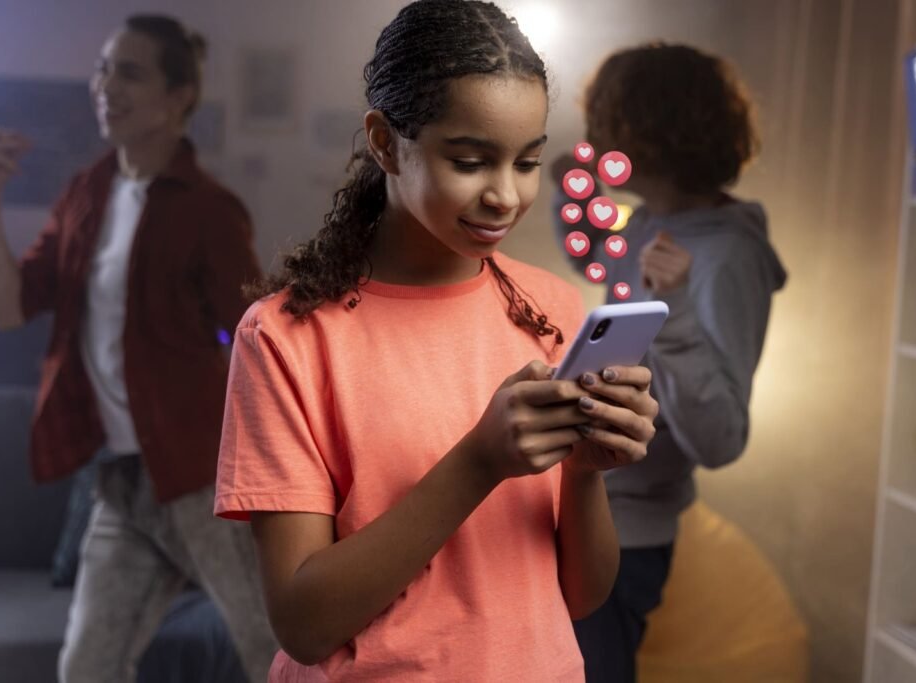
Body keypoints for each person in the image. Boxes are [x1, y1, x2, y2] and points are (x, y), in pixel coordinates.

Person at [212, 1, 660, 680]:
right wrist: (477, 463)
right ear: (386, 143)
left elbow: (581, 596)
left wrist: (587, 470)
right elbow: (304, 624)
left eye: (527, 161)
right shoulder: (286, 338)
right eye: (472, 160)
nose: (505, 195)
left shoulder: (551, 308)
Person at [0, 14, 276, 683]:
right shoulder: (86, 194)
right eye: (104, 68)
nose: (105, 84)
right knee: (87, 668)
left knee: (272, 653)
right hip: (122, 480)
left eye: (129, 72)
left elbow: (259, 336)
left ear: (178, 99)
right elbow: (9, 306)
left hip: (199, 480)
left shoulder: (208, 209)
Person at [550, 42, 789, 683]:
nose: (596, 141)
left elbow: (720, 439)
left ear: (647, 136)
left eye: (606, 128)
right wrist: (566, 196)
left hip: (627, 533)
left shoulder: (728, 257)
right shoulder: (653, 220)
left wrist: (676, 309)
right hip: (588, 501)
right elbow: (601, 264)